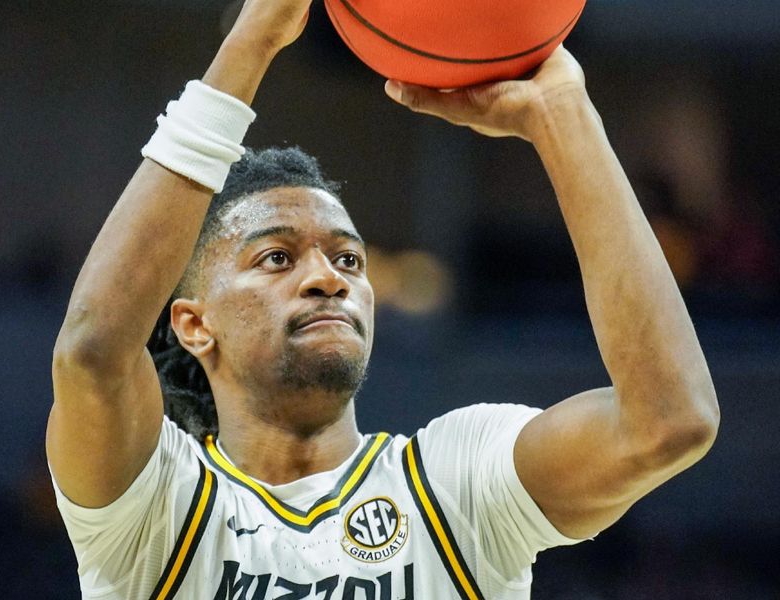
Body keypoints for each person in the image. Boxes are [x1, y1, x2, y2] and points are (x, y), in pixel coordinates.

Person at [47, 1, 720, 598]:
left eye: (347, 258)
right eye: (276, 258)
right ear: (195, 324)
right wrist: (252, 38)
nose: (328, 278)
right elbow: (92, 351)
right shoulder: (160, 504)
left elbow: (669, 421)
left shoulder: (457, 481)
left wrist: (564, 116)